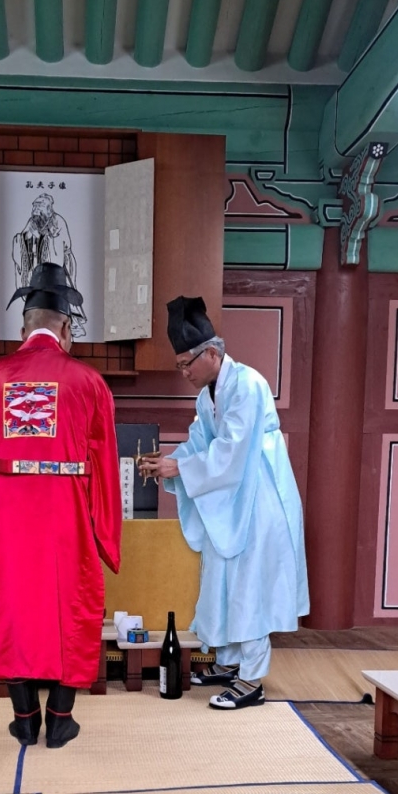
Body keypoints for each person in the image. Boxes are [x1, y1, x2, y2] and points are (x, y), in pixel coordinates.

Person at [0, 262, 122, 748]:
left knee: (13, 609)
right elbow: (104, 462)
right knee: (72, 605)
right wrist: (104, 531)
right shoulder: (89, 382)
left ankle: (25, 719)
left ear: (23, 328)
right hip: (67, 514)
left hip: (9, 512)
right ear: (66, 328)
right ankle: (61, 719)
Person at [139, 296, 309, 710]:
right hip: (232, 496)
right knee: (223, 578)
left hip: (260, 496)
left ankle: (252, 680)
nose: (184, 373)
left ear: (212, 354)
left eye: (187, 364)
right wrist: (169, 463)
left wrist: (182, 468)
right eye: (179, 366)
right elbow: (201, 445)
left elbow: (233, 451)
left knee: (250, 584)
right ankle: (230, 662)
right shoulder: (206, 397)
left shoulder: (247, 385)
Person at [12, 193, 87, 338]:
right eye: (35, 206)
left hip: (60, 267)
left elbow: (64, 244)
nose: (36, 209)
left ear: (48, 208)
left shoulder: (58, 221)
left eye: (40, 206)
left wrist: (49, 237)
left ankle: (73, 324)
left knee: (63, 296)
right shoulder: (32, 222)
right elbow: (25, 236)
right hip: (40, 265)